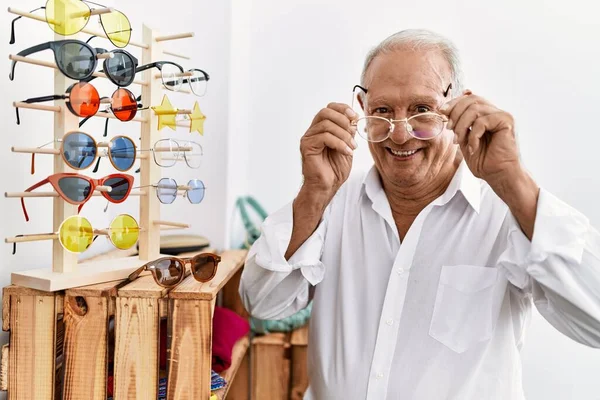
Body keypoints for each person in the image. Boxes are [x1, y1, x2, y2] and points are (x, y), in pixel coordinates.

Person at [238, 29, 600, 399]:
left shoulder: (509, 211)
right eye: (382, 112)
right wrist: (313, 193)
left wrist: (514, 180)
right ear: (362, 110)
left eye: (421, 110)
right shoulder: (332, 201)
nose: (400, 135)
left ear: (459, 108)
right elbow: (262, 303)